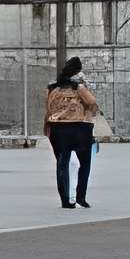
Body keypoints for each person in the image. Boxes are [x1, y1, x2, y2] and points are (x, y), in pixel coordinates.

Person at [44, 56, 101, 209]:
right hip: (79, 128)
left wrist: (46, 129)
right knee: (85, 163)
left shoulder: (52, 89)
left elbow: (48, 110)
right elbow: (92, 103)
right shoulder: (79, 88)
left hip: (56, 129)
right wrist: (92, 114)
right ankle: (81, 197)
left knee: (62, 165)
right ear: (77, 72)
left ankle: (65, 200)